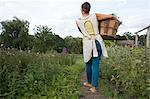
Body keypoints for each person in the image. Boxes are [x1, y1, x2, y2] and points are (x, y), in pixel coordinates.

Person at [76, 2, 114, 93]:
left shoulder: (78, 21)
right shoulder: (95, 16)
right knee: (95, 65)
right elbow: (109, 16)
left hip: (87, 43)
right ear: (89, 9)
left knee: (88, 64)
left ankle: (89, 82)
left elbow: (81, 32)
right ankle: (93, 86)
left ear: (81, 9)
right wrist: (112, 16)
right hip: (96, 41)